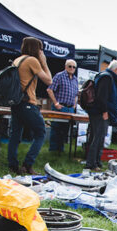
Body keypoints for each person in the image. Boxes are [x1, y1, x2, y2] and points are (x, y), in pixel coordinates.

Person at [7, 37, 52, 175]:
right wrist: (44, 62)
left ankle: (13, 165)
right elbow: (49, 80)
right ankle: (28, 164)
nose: (41, 52)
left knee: (15, 135)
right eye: (40, 49)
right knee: (40, 133)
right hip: (28, 102)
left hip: (16, 102)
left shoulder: (18, 60)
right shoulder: (32, 61)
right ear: (36, 49)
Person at [85, 60, 117, 171]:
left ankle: (96, 161)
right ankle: (91, 164)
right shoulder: (107, 78)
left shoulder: (104, 76)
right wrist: (105, 111)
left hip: (98, 112)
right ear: (116, 69)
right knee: (97, 138)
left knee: (98, 138)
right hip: (100, 113)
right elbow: (102, 97)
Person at [47, 59, 79, 153]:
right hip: (60, 107)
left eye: (74, 67)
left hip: (70, 108)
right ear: (65, 67)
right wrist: (56, 103)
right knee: (56, 129)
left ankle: (61, 150)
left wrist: (74, 105)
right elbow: (50, 90)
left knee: (65, 131)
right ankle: (53, 151)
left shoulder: (75, 79)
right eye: (70, 66)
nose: (72, 68)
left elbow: (76, 94)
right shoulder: (59, 76)